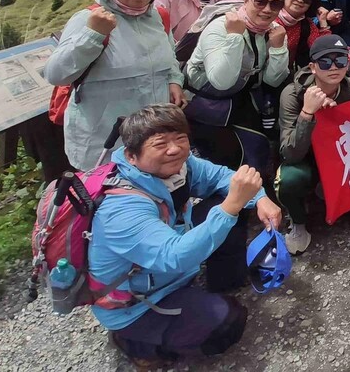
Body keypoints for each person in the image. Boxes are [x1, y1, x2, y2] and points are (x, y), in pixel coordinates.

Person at [89, 105, 280, 365]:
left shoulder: (180, 166)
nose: (174, 149)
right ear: (131, 156)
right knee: (227, 323)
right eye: (160, 144)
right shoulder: (121, 208)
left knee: (228, 205)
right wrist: (232, 205)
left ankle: (221, 283)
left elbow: (221, 177)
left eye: (180, 138)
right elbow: (173, 256)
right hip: (137, 303)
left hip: (164, 273)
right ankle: (135, 343)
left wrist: (259, 199)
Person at [45, 0, 184, 171]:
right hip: (104, 145)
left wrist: (174, 80)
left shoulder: (158, 17)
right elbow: (56, 74)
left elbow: (170, 55)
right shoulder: (89, 19)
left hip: (153, 138)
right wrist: (93, 35)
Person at [278, 35, 350, 254]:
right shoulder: (292, 95)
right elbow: (290, 153)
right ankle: (298, 222)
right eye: (325, 62)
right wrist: (308, 114)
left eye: (340, 60)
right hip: (306, 160)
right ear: (313, 67)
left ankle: (331, 193)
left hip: (339, 159)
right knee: (290, 179)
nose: (334, 67)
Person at [183, 0, 290, 174]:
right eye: (260, 1)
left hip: (238, 101)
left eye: (275, 4)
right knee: (226, 162)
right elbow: (221, 82)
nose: (267, 9)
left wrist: (277, 49)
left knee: (257, 153)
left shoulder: (273, 32)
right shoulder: (219, 28)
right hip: (204, 106)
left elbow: (272, 80)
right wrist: (234, 36)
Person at [276, 0, 326, 71]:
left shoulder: (306, 25)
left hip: (283, 75)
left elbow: (323, 50)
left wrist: (323, 22)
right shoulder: (268, 15)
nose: (300, 0)